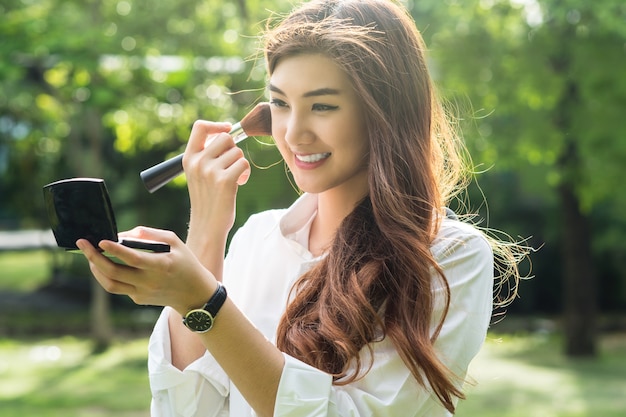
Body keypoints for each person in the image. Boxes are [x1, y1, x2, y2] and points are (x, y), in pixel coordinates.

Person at [77, 0, 528, 416]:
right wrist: (208, 234)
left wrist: (204, 302)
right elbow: (187, 410)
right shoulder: (257, 238)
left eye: (323, 106)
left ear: (384, 112)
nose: (293, 134)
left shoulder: (449, 255)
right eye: (279, 104)